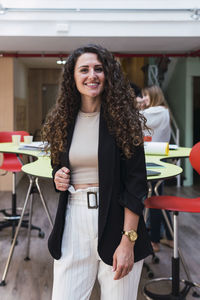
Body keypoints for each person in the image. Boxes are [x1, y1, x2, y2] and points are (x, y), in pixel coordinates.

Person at [42, 44, 153, 300]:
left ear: (107, 75)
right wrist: (58, 175)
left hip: (117, 220)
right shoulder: (63, 121)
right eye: (84, 69)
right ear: (73, 77)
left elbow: (136, 184)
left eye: (98, 69)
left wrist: (128, 241)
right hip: (74, 218)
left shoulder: (124, 121)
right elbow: (58, 165)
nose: (92, 75)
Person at [137, 85, 173, 253]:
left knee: (154, 199)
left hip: (152, 160)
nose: (144, 99)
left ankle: (154, 240)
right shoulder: (161, 111)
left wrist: (136, 104)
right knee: (158, 195)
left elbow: (133, 119)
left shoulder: (156, 111)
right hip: (157, 158)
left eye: (146, 96)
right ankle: (169, 237)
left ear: (154, 96)